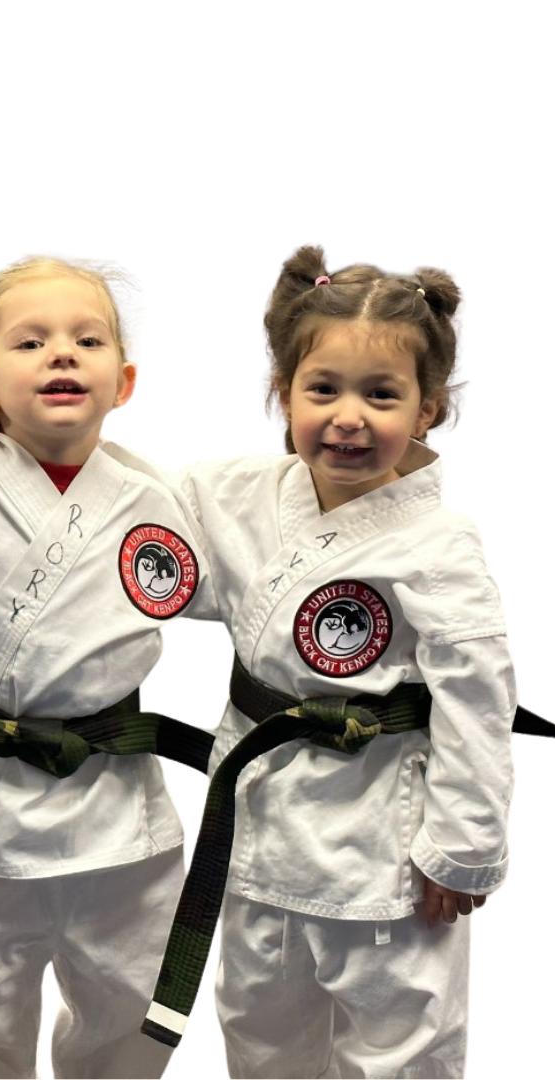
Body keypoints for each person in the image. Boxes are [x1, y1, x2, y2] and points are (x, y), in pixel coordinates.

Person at [0, 251, 215, 1080]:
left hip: (120, 806)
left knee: (136, 1014)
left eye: (86, 339)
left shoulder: (162, 495)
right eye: (31, 342)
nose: (61, 353)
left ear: (124, 380)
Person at [173, 242, 514, 1079]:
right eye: (323, 390)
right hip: (258, 830)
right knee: (259, 1033)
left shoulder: (441, 541)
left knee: (402, 1049)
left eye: (381, 394)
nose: (349, 417)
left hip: (384, 845)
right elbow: (126, 506)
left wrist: (462, 847)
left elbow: (479, 698)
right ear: (281, 397)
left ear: (426, 412)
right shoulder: (240, 492)